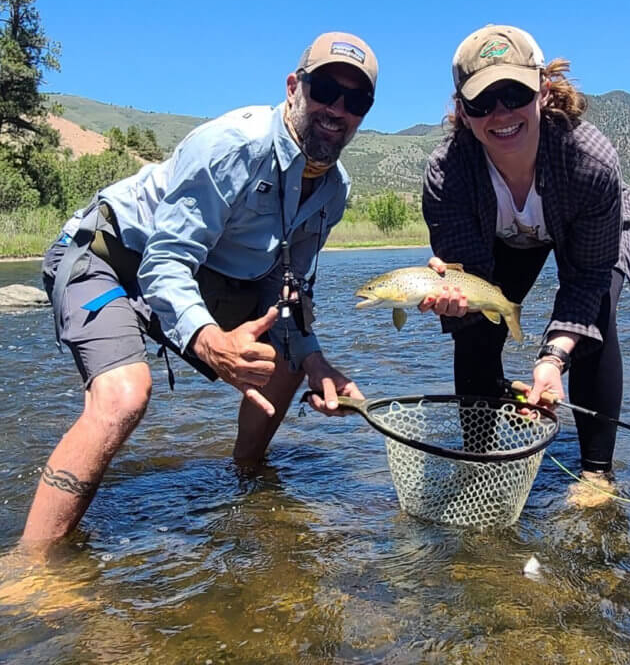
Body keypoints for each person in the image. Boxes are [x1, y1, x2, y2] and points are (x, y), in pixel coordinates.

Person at [24, 32, 377, 546]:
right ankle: (32, 567)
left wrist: (316, 360)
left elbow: (290, 285)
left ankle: (247, 481)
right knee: (125, 395)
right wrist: (210, 342)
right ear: (293, 87)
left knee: (289, 352)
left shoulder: (334, 189)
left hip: (193, 270)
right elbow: (166, 261)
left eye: (357, 99)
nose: (337, 108)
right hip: (106, 253)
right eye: (325, 88)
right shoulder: (232, 146)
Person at [421, 24, 630, 504]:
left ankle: (597, 476)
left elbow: (584, 280)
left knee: (596, 320)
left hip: (592, 227)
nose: (500, 114)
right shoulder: (448, 173)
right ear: (462, 110)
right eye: (482, 102)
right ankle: (479, 460)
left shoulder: (589, 161)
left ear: (542, 90)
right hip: (502, 239)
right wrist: (460, 303)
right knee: (477, 328)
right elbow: (472, 283)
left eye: (514, 93)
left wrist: (552, 357)